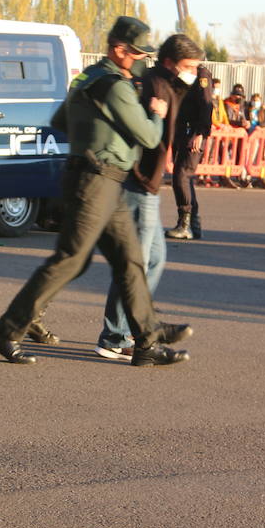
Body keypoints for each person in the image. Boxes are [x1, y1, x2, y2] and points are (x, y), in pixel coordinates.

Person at [0, 16, 192, 368]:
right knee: (71, 261)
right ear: (118, 49)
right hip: (97, 181)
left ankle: (146, 341)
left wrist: (95, 131)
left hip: (100, 179)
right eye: (137, 52)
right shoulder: (116, 86)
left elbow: (61, 120)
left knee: (130, 261)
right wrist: (156, 113)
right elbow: (150, 137)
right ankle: (5, 331)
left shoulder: (88, 77)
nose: (141, 59)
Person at [92, 33, 199, 359]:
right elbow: (146, 137)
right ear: (170, 63)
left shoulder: (168, 83)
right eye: (189, 66)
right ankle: (118, 336)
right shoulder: (153, 86)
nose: (194, 73)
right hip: (137, 184)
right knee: (135, 263)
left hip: (147, 185)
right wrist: (157, 116)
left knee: (151, 259)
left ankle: (125, 332)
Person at [168, 62, 214, 238]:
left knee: (182, 175)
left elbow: (206, 104)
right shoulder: (180, 75)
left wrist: (200, 133)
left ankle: (185, 223)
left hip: (193, 133)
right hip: (181, 130)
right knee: (184, 177)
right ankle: (193, 222)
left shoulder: (202, 74)